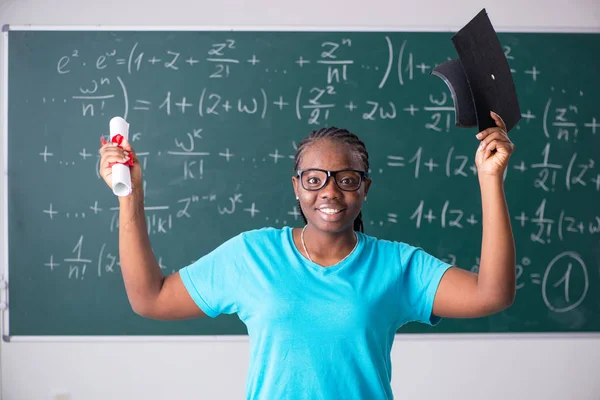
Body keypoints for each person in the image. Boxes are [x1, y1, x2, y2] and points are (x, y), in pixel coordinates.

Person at [99, 110, 516, 400]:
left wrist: (490, 179)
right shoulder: (252, 255)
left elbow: (491, 294)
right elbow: (149, 298)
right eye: (314, 180)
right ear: (296, 187)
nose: (330, 192)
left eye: (346, 179)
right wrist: (129, 195)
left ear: (365, 189)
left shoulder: (396, 266)